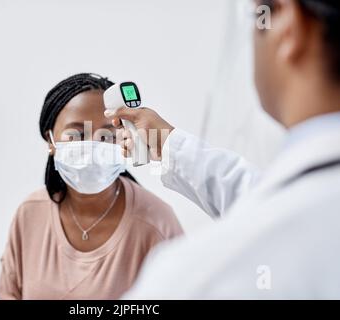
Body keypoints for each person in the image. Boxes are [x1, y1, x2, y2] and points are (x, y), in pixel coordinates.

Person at [104, 0, 340, 298]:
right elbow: (261, 197)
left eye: (255, 18)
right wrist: (169, 144)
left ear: (287, 23)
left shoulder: (195, 280)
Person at [0, 73, 183, 299]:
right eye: (76, 134)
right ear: (50, 141)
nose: (94, 147)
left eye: (107, 135)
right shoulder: (30, 214)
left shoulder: (157, 224)